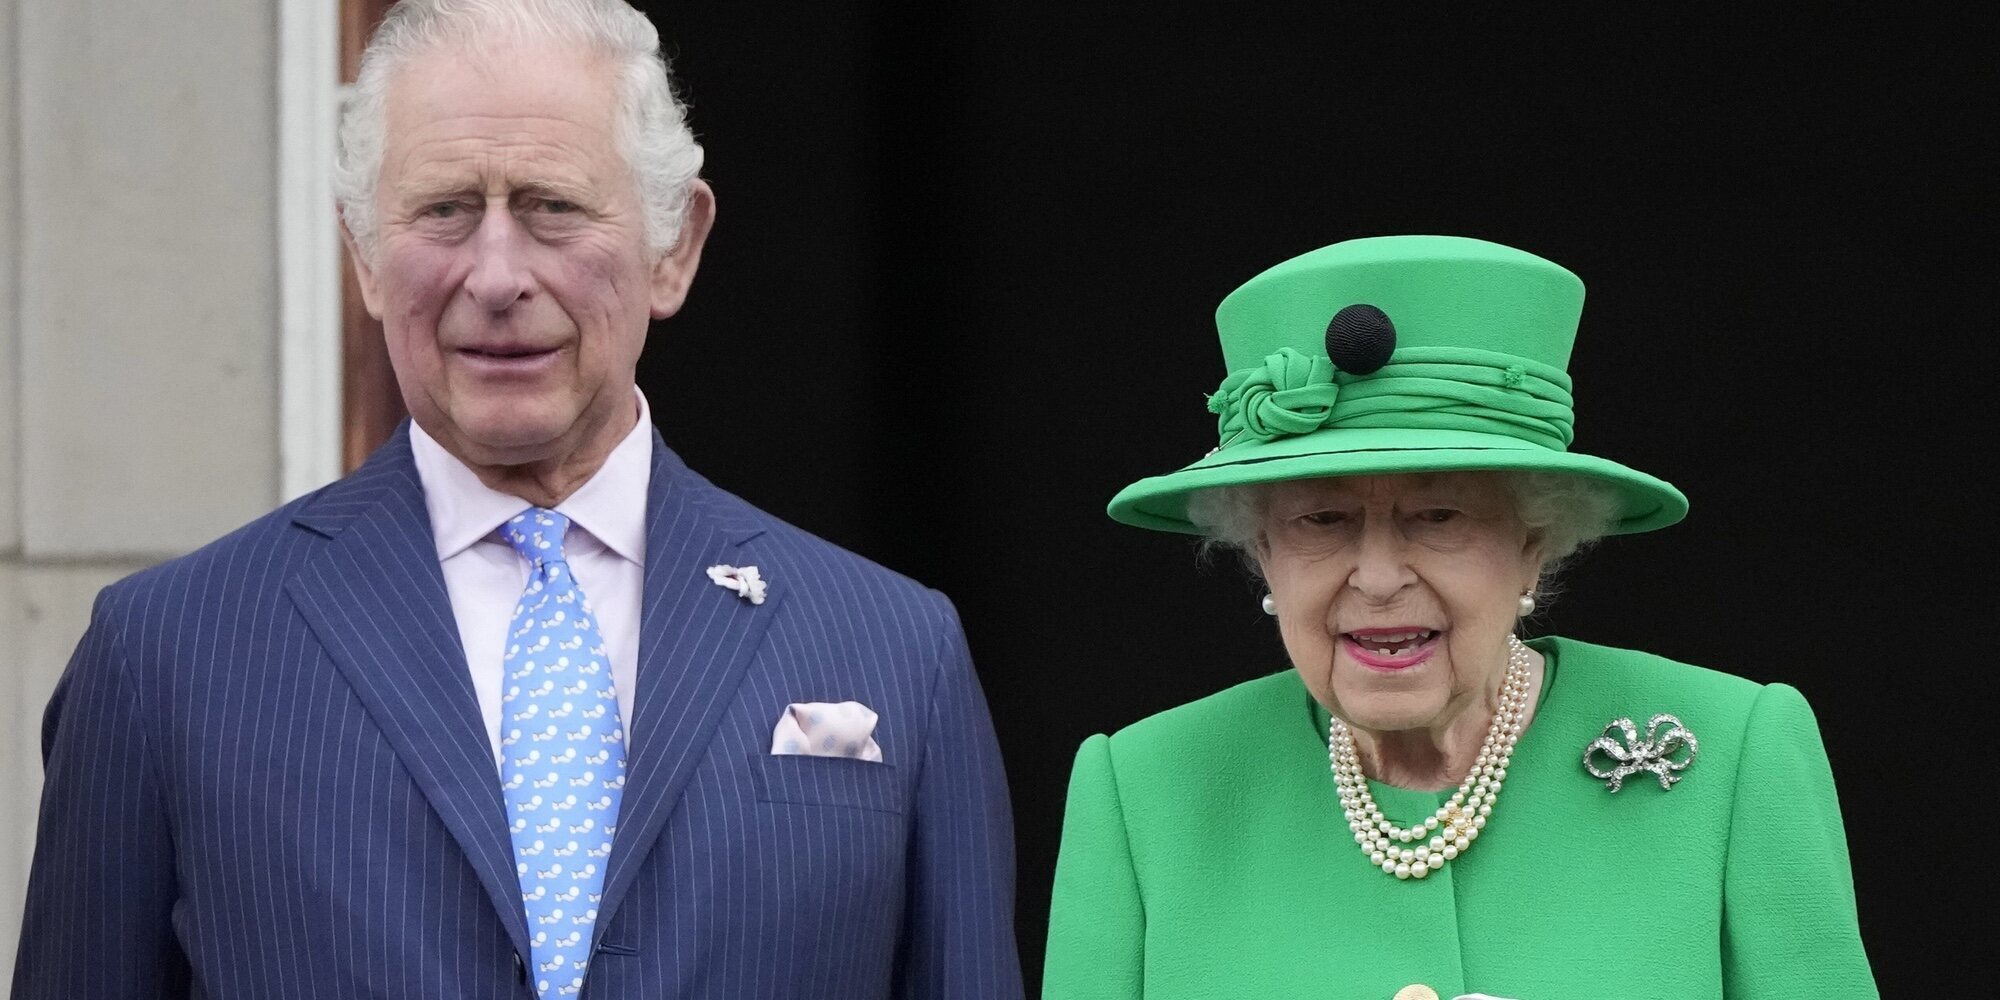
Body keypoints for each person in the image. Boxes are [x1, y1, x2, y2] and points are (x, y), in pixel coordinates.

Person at [10, 2, 1022, 998]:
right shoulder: (168, 656)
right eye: (444, 209)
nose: (496, 275)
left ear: (674, 246)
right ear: (363, 254)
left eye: (553, 207)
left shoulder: (894, 651)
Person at [1041, 235, 1876, 1000]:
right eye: (1321, 522)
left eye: (1438, 517)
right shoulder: (1145, 790)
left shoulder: (1731, 754)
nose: (1376, 578)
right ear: (1262, 553)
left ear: (1535, 544)